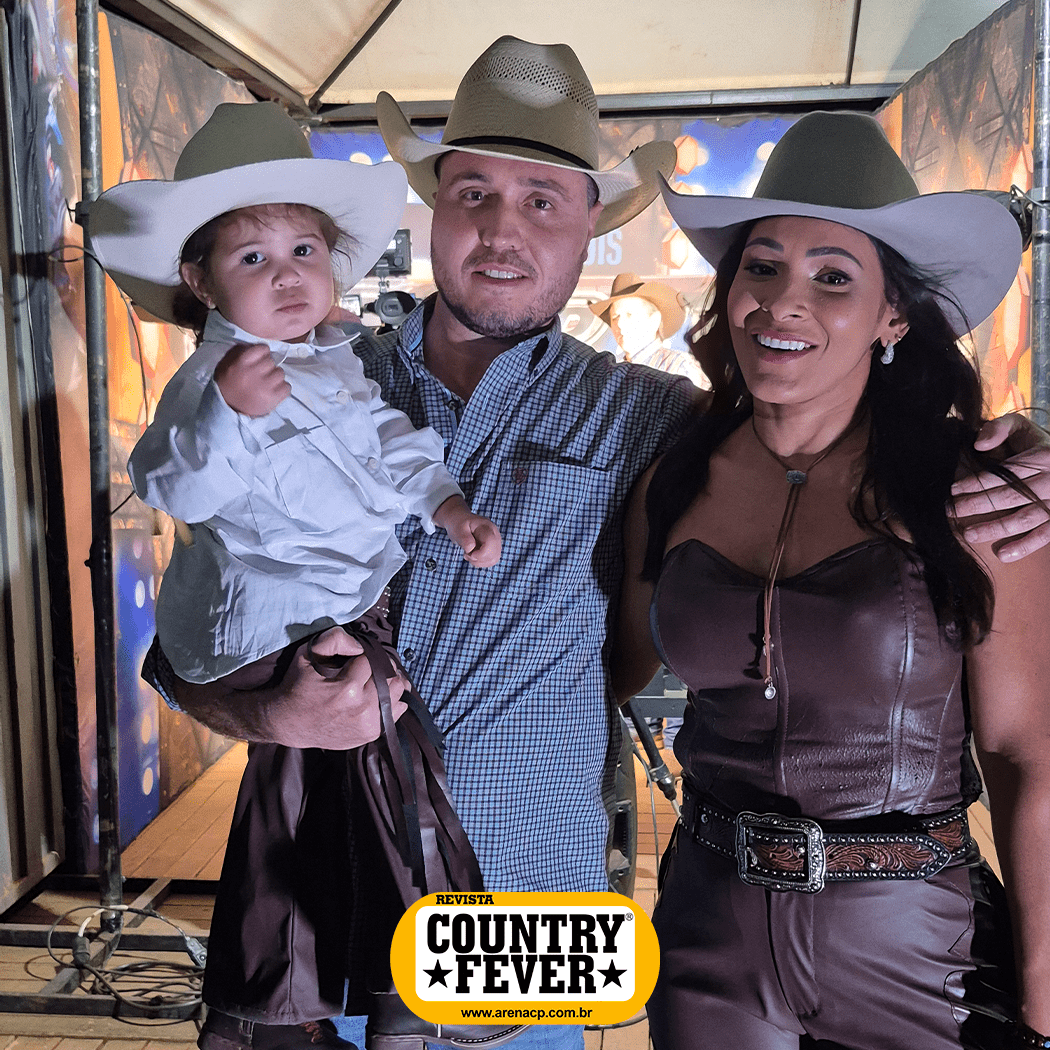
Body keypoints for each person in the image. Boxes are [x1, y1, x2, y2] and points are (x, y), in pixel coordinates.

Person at [129, 43, 1050, 1050]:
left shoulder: (654, 422)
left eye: (543, 201)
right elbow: (186, 647)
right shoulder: (306, 395)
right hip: (325, 896)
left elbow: (820, 430)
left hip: (530, 910)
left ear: (589, 229)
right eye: (473, 193)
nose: (502, 230)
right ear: (433, 208)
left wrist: (1007, 455)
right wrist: (268, 709)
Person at [613, 112, 1050, 1050]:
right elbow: (602, 670)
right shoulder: (671, 477)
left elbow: (1027, 752)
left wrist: (1048, 997)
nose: (784, 303)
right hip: (707, 932)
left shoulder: (975, 491)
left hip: (917, 948)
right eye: (762, 266)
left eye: (834, 277)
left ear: (895, 315)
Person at [89, 102, 503, 1050]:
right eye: (253, 256)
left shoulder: (336, 364)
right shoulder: (216, 379)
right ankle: (359, 995)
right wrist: (227, 418)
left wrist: (447, 507)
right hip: (282, 622)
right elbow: (172, 486)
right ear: (200, 279)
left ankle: (291, 1005)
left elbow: (389, 445)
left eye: (304, 251)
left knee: (339, 799)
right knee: (361, 785)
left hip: (350, 624)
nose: (285, 275)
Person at [590, 272, 709, 388]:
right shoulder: (612, 374)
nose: (620, 324)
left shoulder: (678, 367)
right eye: (615, 317)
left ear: (654, 320)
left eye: (629, 314)